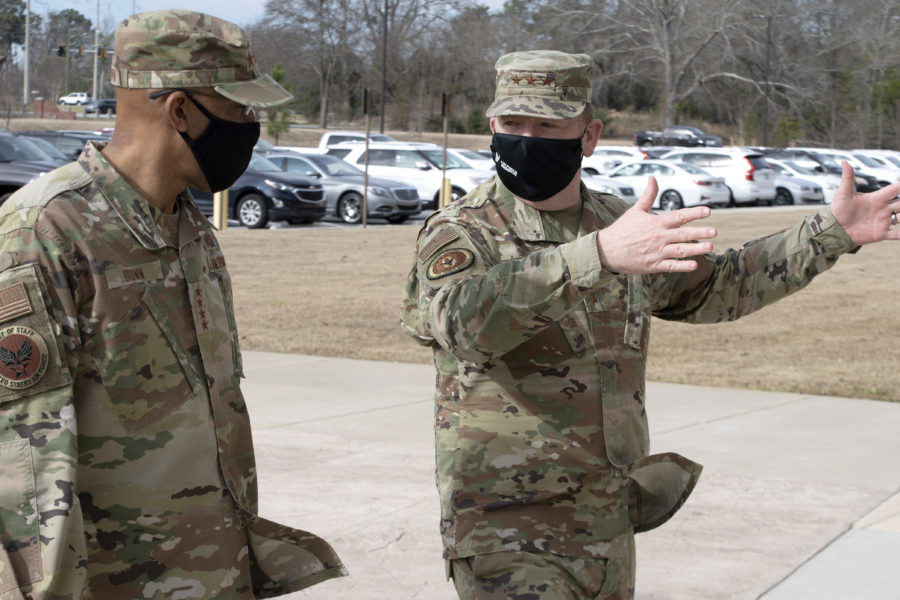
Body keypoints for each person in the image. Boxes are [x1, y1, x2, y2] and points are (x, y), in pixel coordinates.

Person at [400, 50, 900, 599]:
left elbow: (717, 287)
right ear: (491, 127)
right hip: (507, 527)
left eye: (547, 125)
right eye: (512, 124)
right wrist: (597, 257)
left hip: (607, 520)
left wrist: (831, 233)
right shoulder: (460, 231)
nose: (527, 138)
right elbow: (461, 323)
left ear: (587, 136)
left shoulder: (617, 223)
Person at [0, 10, 345, 598]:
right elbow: (24, 470)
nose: (251, 127)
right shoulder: (48, 231)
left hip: (212, 574)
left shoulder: (189, 227)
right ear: (180, 110)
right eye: (239, 111)